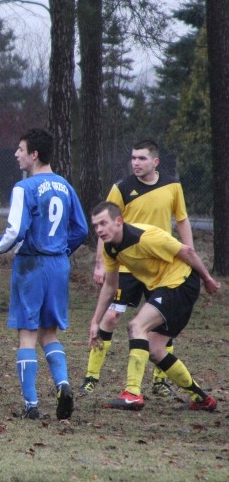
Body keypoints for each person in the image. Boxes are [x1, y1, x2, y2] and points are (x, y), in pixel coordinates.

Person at [0, 128, 88, 421]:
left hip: (31, 265)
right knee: (48, 333)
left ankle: (31, 405)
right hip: (58, 265)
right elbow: (81, 229)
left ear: (34, 155)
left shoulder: (25, 187)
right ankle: (63, 384)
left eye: (20, 149)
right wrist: (60, 250)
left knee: (27, 334)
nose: (16, 154)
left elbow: (15, 230)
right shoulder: (65, 186)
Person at [80, 140, 193, 398]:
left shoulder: (172, 186)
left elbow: (182, 219)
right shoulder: (121, 188)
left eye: (141, 158)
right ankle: (91, 376)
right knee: (110, 317)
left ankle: (160, 380)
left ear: (155, 162)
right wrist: (100, 263)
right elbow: (103, 228)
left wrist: (189, 251)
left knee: (159, 321)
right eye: (133, 158)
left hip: (161, 268)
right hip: (128, 265)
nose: (136, 163)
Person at [90, 201, 219, 411]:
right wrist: (95, 321)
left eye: (103, 223)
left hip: (181, 283)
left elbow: (187, 252)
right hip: (167, 286)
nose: (100, 230)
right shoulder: (110, 248)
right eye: (96, 226)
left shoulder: (146, 237)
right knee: (155, 348)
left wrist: (207, 279)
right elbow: (110, 286)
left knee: (136, 326)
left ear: (119, 221)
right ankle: (201, 398)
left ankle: (132, 393)